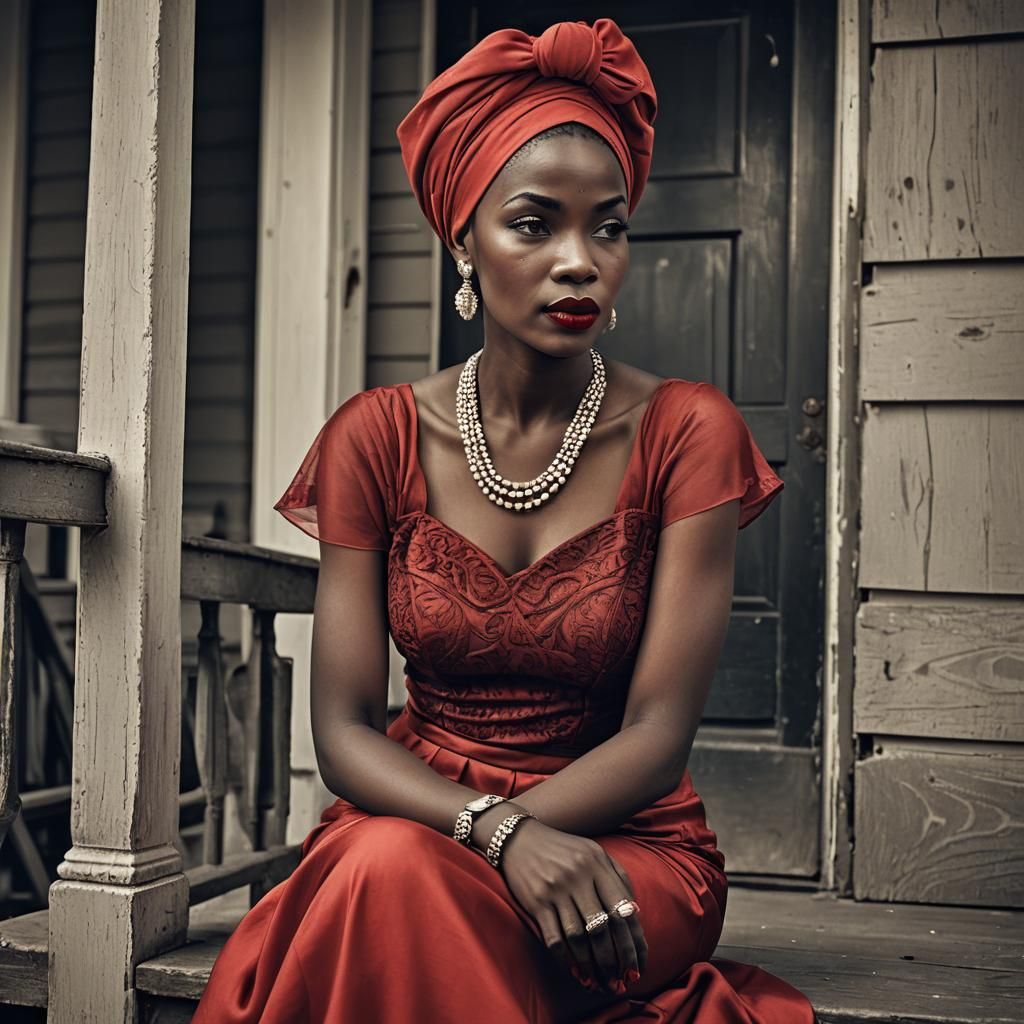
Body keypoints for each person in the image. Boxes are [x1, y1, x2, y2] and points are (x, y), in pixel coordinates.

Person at [193, 18, 818, 1023]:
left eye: (607, 228)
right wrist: (495, 832)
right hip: (420, 817)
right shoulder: (374, 437)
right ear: (463, 240)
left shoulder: (687, 432)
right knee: (389, 873)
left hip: (625, 841)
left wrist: (522, 834)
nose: (579, 262)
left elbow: (658, 735)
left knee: (388, 889)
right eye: (534, 225)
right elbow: (344, 730)